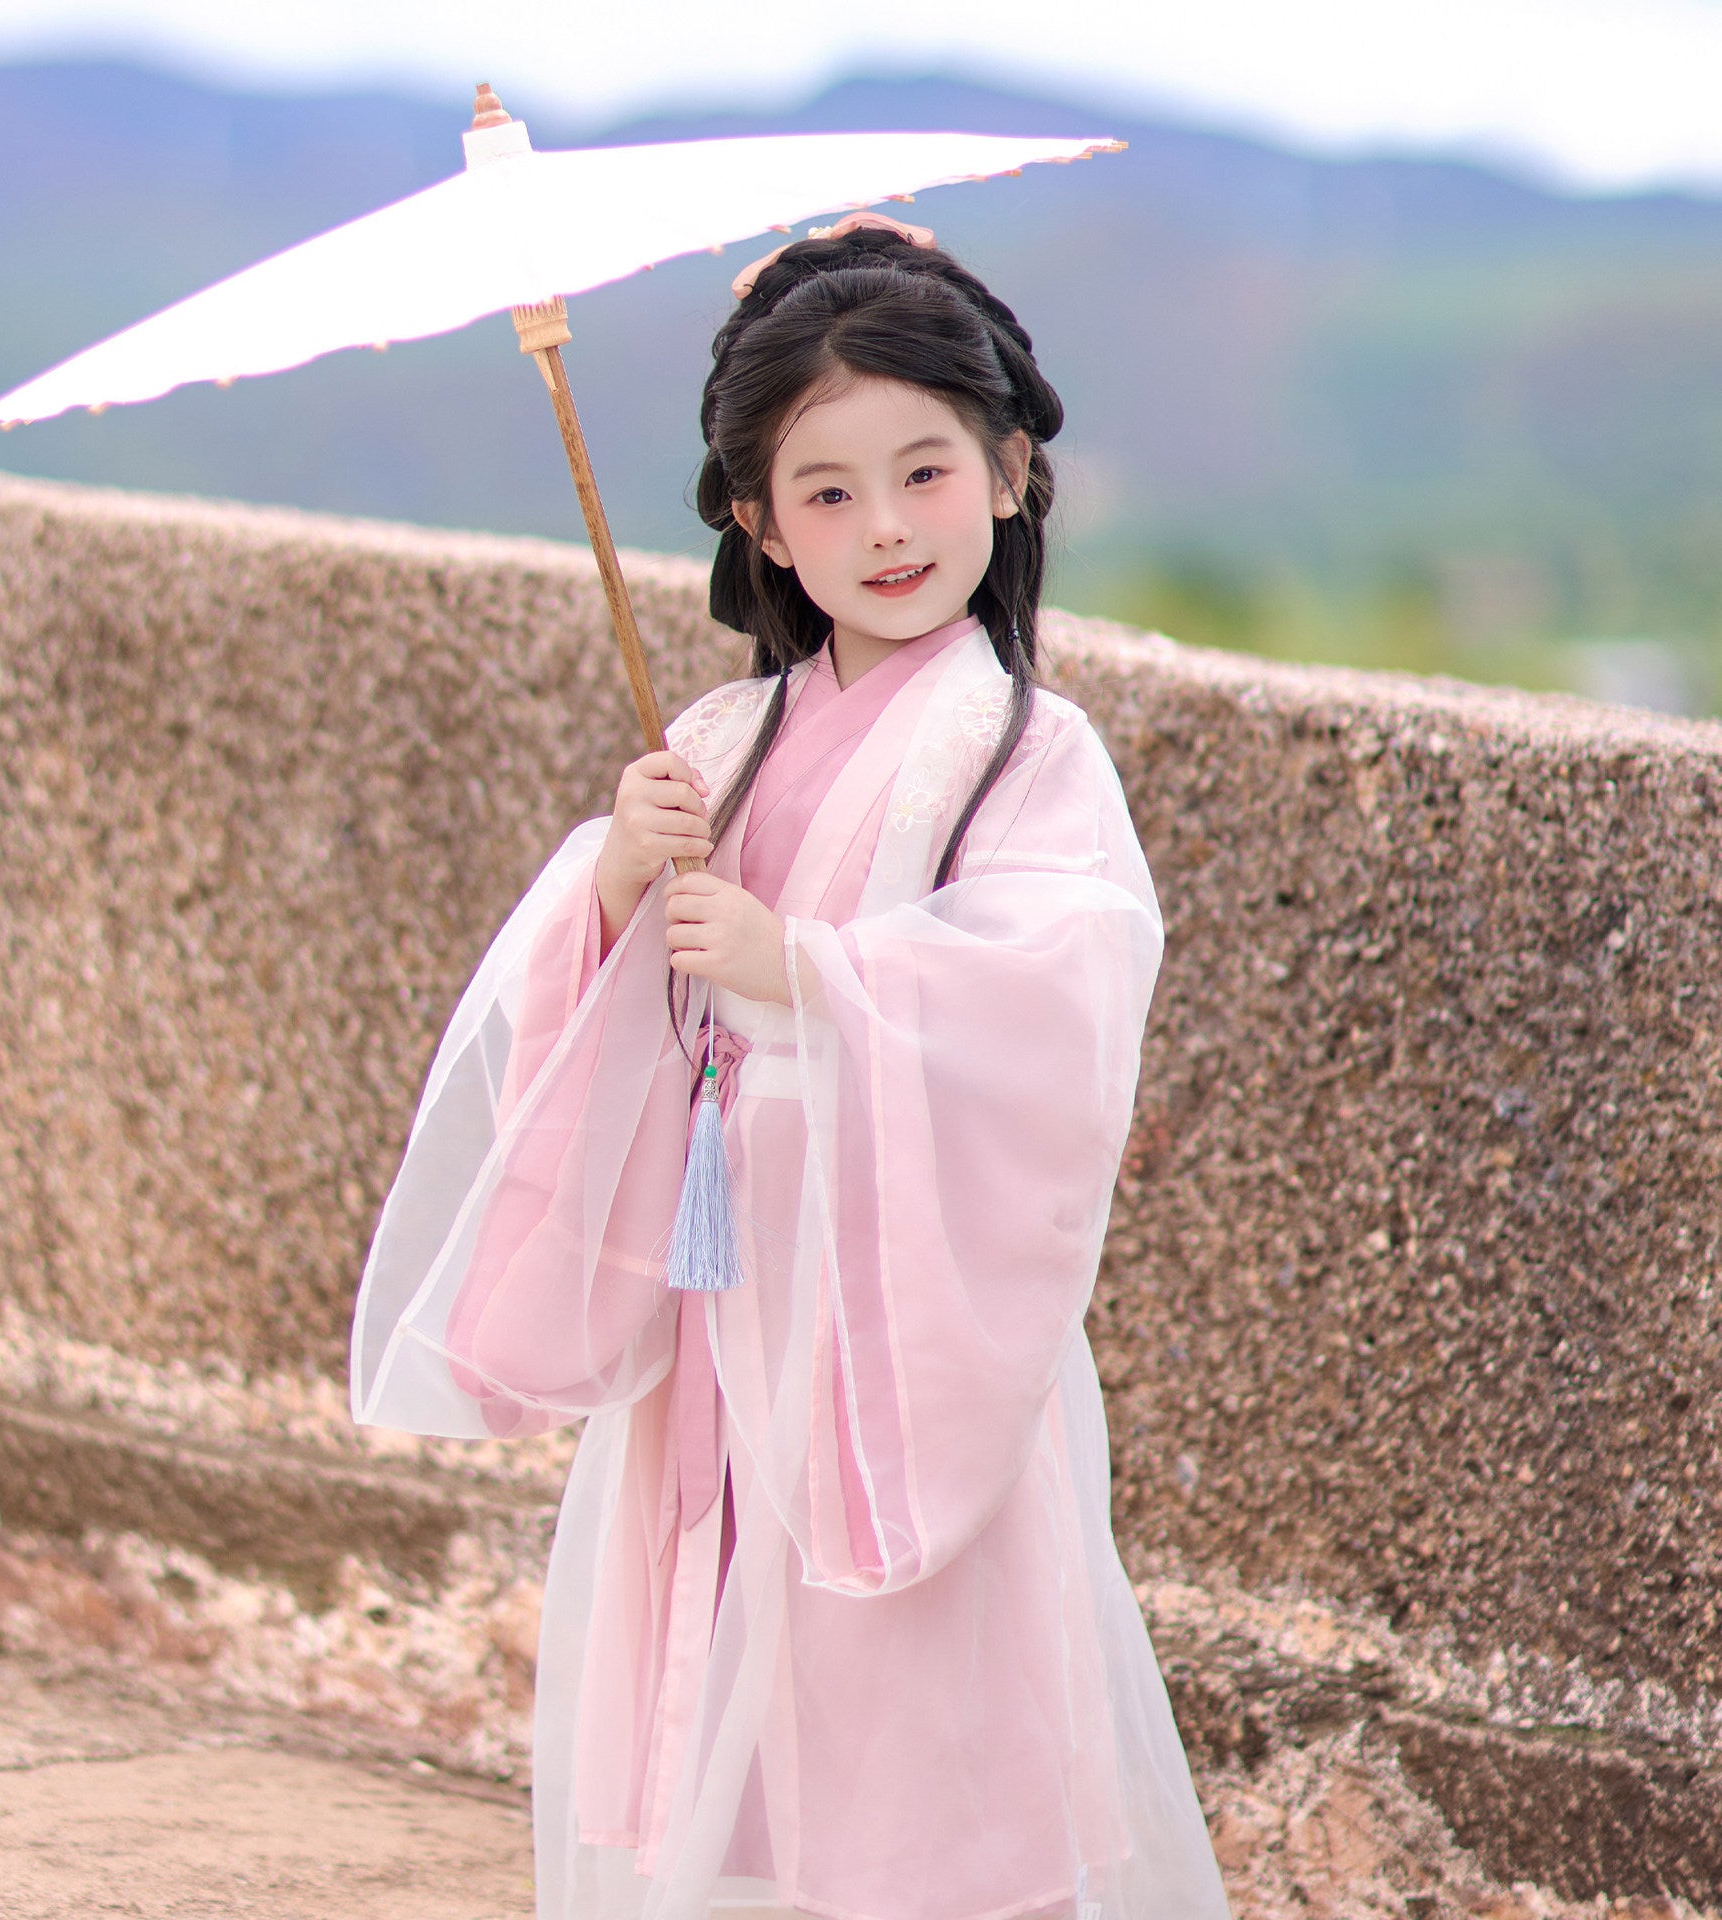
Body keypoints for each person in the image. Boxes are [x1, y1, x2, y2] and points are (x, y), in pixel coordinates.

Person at [351, 217, 1230, 1920]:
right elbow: (593, 1023)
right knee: (722, 1728)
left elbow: (1060, 993)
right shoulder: (716, 747)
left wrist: (812, 975)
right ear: (757, 519)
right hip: (718, 1314)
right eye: (824, 492)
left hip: (891, 1330)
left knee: (910, 1715)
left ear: (1013, 468)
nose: (885, 528)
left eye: (923, 471)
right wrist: (619, 878)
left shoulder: (1028, 756)